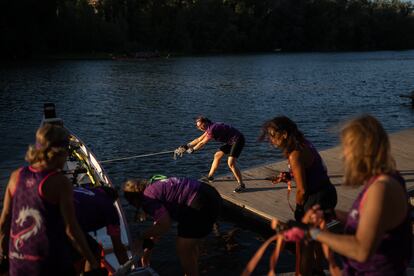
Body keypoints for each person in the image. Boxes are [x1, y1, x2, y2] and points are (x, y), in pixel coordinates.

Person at [302, 115, 412, 274]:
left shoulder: (381, 189)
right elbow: (374, 223)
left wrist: (313, 233)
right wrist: (334, 214)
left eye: (346, 148)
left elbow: (361, 251)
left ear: (360, 151)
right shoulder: (388, 179)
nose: (343, 156)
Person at [0, 124, 100, 275]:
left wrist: (3, 252)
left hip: (18, 262)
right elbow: (71, 230)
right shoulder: (60, 182)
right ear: (60, 152)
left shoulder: (16, 175)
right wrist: (92, 261)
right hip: (48, 263)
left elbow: (4, 220)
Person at [259, 116, 337, 274]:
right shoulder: (303, 143)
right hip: (326, 192)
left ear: (285, 134)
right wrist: (289, 175)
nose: (270, 140)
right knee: (315, 238)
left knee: (304, 244)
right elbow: (310, 170)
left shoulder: (295, 154)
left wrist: (299, 208)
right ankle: (318, 270)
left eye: (273, 135)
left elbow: (302, 190)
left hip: (316, 198)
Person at [123, 176, 222, 276]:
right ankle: (192, 271)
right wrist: (147, 252)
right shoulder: (154, 187)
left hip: (199, 202)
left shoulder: (147, 197)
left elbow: (165, 225)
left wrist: (141, 237)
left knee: (182, 248)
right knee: (189, 245)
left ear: (134, 200)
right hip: (211, 194)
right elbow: (159, 226)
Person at [178, 116, 246, 193]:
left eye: (202, 125)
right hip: (231, 142)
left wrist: (193, 149)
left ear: (206, 122)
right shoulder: (209, 128)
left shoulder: (212, 129)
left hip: (238, 140)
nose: (201, 128)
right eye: (199, 127)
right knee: (217, 155)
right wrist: (186, 146)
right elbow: (199, 139)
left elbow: (202, 142)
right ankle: (210, 177)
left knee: (231, 163)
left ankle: (242, 185)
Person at [72, 186, 129, 271]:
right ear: (112, 200)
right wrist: (128, 269)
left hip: (50, 218)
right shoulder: (109, 207)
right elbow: (118, 248)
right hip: (65, 226)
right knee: (94, 251)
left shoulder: (82, 189)